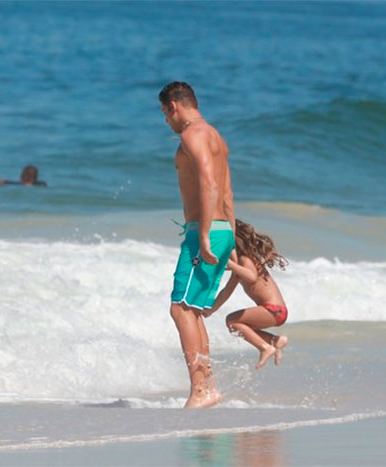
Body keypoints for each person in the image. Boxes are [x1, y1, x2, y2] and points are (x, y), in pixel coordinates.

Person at [160, 81, 236, 408]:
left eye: (165, 113)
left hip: (204, 231)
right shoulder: (215, 135)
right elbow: (227, 190)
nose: (166, 121)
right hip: (222, 229)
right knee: (194, 311)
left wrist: (203, 234)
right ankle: (209, 386)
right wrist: (230, 237)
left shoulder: (193, 135)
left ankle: (200, 390)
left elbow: (208, 181)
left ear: (174, 106)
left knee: (180, 309)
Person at [203, 219, 289, 370]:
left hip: (273, 310)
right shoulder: (239, 269)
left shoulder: (246, 260)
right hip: (275, 311)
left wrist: (231, 265)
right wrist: (211, 310)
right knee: (236, 325)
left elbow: (251, 277)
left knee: (232, 320)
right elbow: (226, 292)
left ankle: (265, 347)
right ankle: (274, 340)